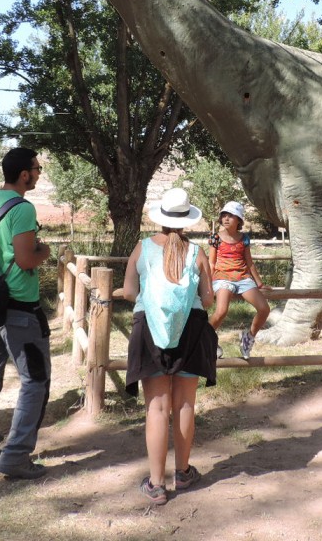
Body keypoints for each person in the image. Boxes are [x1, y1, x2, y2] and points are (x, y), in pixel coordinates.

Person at [124, 187, 217, 505]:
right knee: (185, 404)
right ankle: (183, 472)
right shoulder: (198, 253)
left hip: (149, 328)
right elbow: (208, 298)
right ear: (187, 221)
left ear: (161, 218)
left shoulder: (142, 249)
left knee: (157, 408)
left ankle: (156, 483)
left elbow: (127, 291)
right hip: (191, 329)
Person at [0, 147, 53, 480]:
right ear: (24, 174)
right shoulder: (22, 209)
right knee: (35, 380)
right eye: (37, 169)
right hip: (18, 306)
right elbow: (26, 259)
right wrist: (44, 249)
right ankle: (15, 456)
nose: (38, 174)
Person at [207, 201, 270, 358]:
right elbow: (211, 262)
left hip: (243, 278)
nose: (226, 219)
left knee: (264, 309)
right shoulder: (215, 237)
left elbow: (249, 262)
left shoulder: (244, 238)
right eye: (224, 215)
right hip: (222, 278)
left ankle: (248, 337)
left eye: (231, 216)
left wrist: (260, 283)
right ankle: (206, 338)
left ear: (239, 221)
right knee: (221, 311)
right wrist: (207, 282)